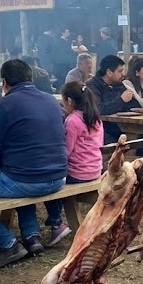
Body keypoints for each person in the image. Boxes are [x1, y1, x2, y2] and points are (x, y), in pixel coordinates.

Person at [0, 59, 67, 269]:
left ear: (4, 82)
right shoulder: (51, 100)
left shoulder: (4, 105)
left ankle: (7, 244)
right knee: (22, 176)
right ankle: (32, 237)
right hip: (59, 176)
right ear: (31, 78)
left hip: (28, 179)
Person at [43, 81, 103, 246]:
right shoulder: (95, 118)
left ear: (69, 100)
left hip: (77, 173)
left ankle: (56, 222)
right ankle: (55, 220)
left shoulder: (72, 121)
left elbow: (66, 151)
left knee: (49, 180)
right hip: (95, 170)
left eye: (63, 102)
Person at [86, 55, 143, 143]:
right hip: (102, 130)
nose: (123, 74)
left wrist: (142, 108)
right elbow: (97, 109)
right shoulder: (92, 85)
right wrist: (121, 100)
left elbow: (132, 104)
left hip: (122, 127)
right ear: (109, 72)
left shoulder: (118, 83)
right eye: (120, 71)